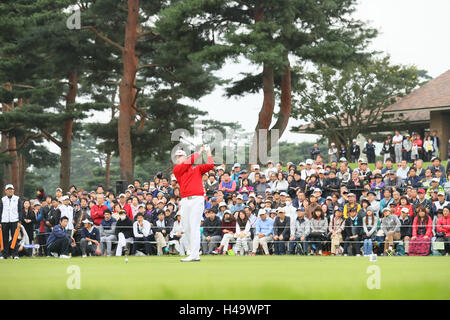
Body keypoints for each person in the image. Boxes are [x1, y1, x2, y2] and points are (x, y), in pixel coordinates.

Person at [173, 145, 214, 262]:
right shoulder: (177, 170)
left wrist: (208, 152)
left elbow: (210, 165)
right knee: (186, 227)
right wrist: (199, 151)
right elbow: (189, 163)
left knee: (194, 226)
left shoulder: (196, 169)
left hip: (197, 199)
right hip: (185, 200)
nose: (178, 159)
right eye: (176, 157)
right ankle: (195, 251)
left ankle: (194, 254)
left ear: (185, 157)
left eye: (180, 156)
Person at [0, 184, 24, 259]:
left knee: (15, 238)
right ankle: (4, 255)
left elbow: (20, 211)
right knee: (4, 238)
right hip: (4, 221)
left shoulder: (17, 199)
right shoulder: (2, 199)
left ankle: (15, 254)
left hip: (15, 220)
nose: (10, 190)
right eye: (8, 189)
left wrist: (19, 221)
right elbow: (0, 211)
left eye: (11, 189)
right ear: (5, 191)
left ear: (13, 190)